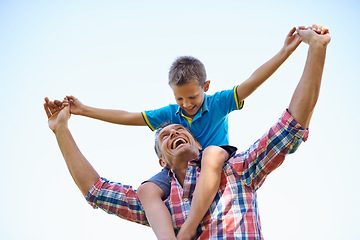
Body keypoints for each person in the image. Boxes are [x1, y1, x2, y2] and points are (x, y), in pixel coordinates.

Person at [44, 24, 330, 239]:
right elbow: (97, 191)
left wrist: (311, 50)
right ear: (162, 161)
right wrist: (64, 127)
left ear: (205, 89)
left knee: (215, 155)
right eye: (164, 136)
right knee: (146, 189)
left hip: (219, 162)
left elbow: (290, 125)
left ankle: (188, 228)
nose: (175, 128)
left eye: (181, 130)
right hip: (176, 190)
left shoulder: (238, 170)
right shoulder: (163, 201)